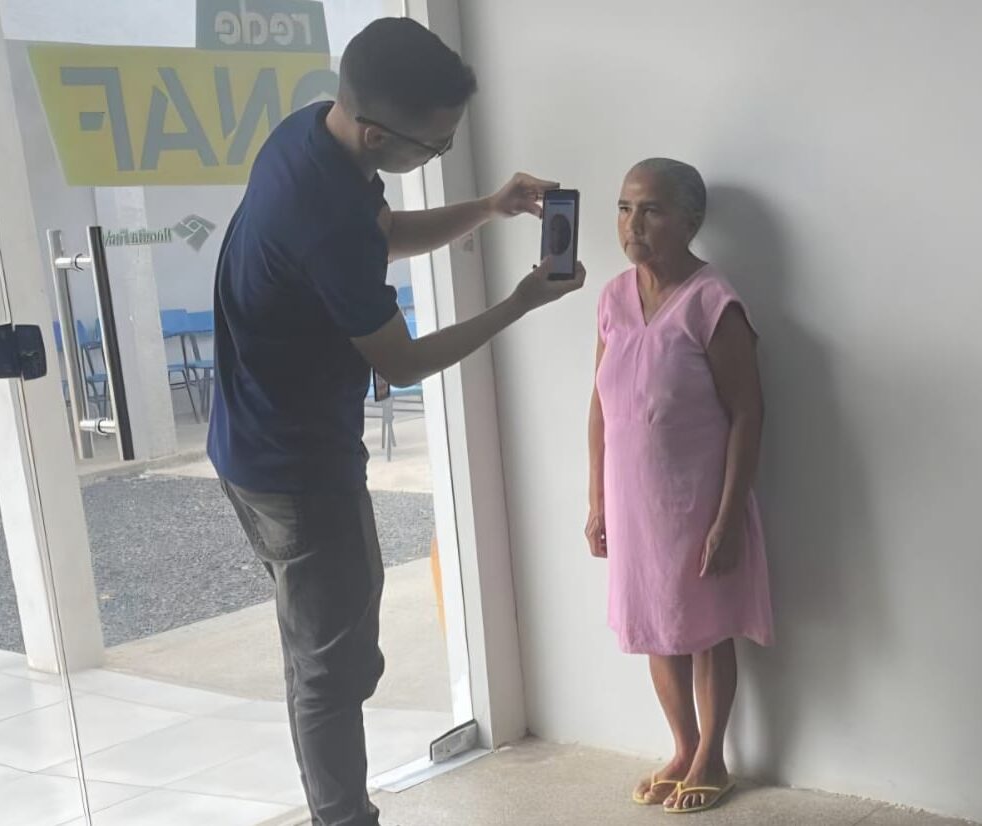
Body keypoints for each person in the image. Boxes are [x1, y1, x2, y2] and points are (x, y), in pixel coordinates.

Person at [208, 18, 584, 826]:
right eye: (435, 145)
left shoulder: (310, 135)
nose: (438, 154)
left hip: (250, 440)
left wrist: (488, 207)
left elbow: (380, 236)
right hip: (296, 466)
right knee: (335, 668)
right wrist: (519, 302)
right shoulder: (324, 211)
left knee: (323, 649)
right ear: (379, 133)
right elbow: (402, 362)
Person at [586, 158, 773, 815]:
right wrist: (596, 502)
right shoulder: (612, 298)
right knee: (654, 626)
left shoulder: (712, 301)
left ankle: (712, 757)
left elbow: (748, 413)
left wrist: (727, 517)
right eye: (624, 207)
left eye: (652, 210)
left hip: (696, 501)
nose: (632, 224)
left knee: (705, 629)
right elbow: (600, 405)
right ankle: (682, 746)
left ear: (690, 222)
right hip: (632, 502)